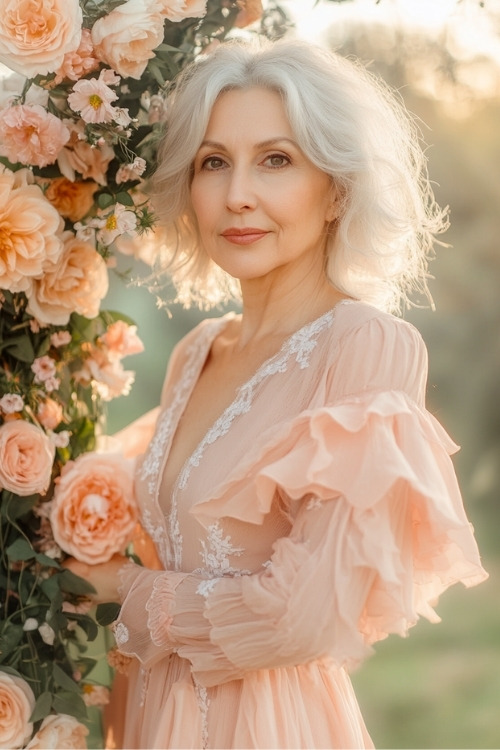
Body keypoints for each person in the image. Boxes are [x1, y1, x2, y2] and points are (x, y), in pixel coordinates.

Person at [75, 38, 488, 749]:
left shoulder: (366, 346)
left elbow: (305, 615)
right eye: (213, 162)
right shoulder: (196, 351)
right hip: (149, 721)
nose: (238, 193)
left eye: (276, 159)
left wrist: (121, 591)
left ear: (336, 189)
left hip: (270, 728)